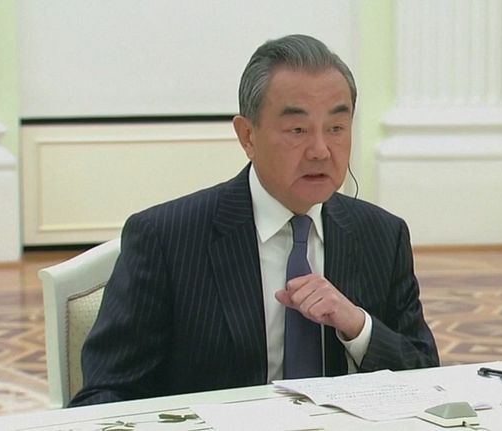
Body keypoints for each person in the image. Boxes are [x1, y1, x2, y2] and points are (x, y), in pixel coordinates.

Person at [69, 34, 438, 407]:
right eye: (297, 130)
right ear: (247, 136)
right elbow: (104, 394)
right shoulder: (166, 239)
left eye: (336, 129)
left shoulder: (382, 235)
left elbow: (426, 376)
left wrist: (358, 326)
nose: (320, 151)